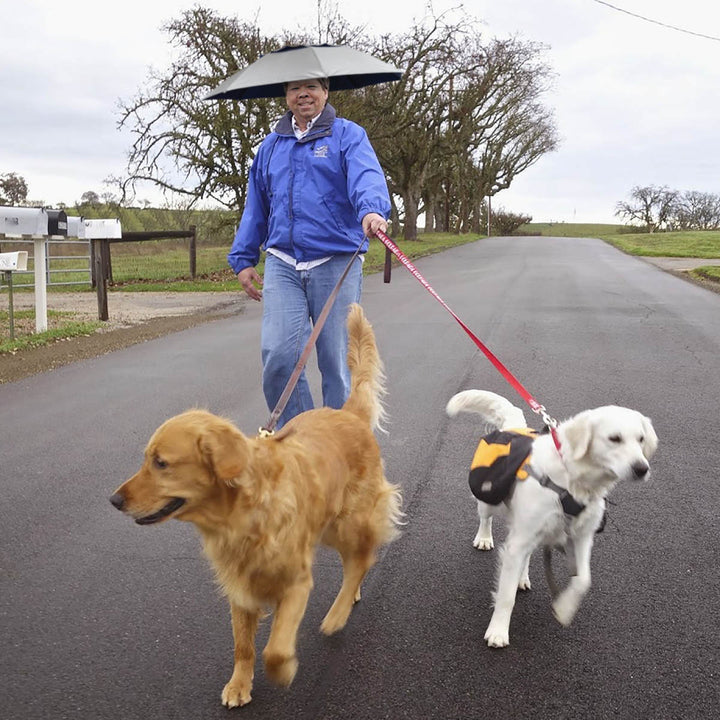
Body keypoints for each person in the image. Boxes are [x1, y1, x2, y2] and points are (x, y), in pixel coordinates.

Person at [228, 77, 391, 428]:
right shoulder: (271, 147)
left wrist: (372, 210)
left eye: (312, 86)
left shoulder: (348, 135)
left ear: (326, 92)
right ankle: (301, 442)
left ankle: (344, 450)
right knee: (279, 357)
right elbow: (256, 206)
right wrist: (243, 259)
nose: (303, 94)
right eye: (294, 88)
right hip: (283, 262)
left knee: (336, 361)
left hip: (335, 260)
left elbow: (366, 177)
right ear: (286, 97)